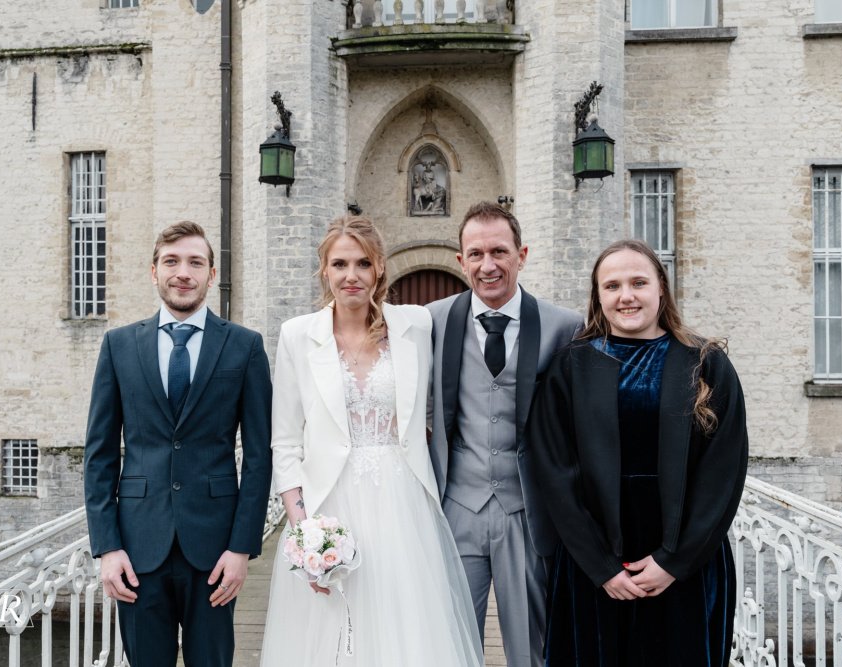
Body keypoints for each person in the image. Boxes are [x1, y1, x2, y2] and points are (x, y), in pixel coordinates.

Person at [260, 215, 483, 666]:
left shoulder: (416, 325)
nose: (352, 275)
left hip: (403, 503)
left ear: (380, 267)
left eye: (363, 263)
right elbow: (285, 443)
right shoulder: (298, 335)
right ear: (324, 270)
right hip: (329, 502)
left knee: (406, 626)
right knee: (329, 630)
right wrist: (304, 533)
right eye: (340, 264)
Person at [528, 239, 748, 666]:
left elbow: (723, 470)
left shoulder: (705, 363)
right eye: (612, 286)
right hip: (594, 565)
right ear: (598, 297)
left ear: (660, 288)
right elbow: (555, 473)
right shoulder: (570, 367)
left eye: (638, 283)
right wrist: (602, 567)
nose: (626, 296)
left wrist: (674, 561)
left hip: (685, 562)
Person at [83, 221, 272, 667]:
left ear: (211, 274)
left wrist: (241, 548)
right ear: (154, 271)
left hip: (215, 550)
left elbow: (259, 456)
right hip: (137, 550)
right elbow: (100, 456)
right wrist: (107, 547)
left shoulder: (244, 346)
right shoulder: (118, 346)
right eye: (171, 261)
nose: (183, 272)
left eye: (195, 263)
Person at [427, 201, 582, 667]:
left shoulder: (564, 326)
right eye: (475, 254)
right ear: (461, 261)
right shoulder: (430, 321)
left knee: (532, 648)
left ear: (522, 255)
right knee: (451, 646)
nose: (487, 265)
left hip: (527, 512)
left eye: (499, 251)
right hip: (457, 507)